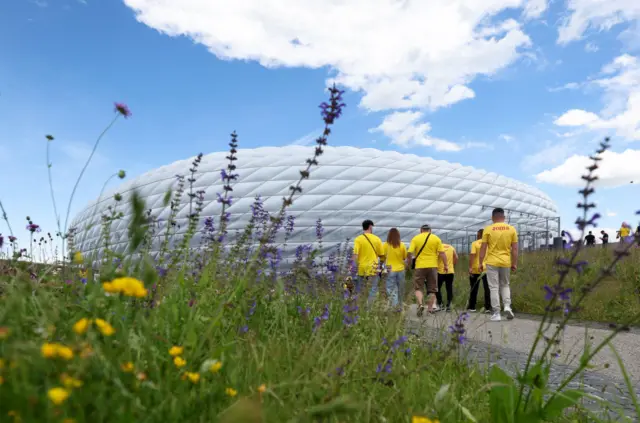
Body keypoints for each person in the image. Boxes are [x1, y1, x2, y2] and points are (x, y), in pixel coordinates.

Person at [479, 208, 518, 322]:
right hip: (506, 262)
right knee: (505, 285)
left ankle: (496, 312)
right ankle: (507, 306)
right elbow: (515, 249)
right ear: (504, 217)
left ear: (492, 217)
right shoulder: (511, 229)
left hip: (492, 262)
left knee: (494, 287)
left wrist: (481, 262)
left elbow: (483, 248)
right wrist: (514, 263)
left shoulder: (488, 229)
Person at [406, 224, 447, 317]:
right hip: (433, 266)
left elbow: (409, 252)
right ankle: (429, 309)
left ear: (421, 230)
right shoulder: (436, 238)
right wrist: (446, 265)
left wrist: (408, 263)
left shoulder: (415, 238)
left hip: (420, 266)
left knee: (418, 287)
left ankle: (420, 304)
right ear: (430, 230)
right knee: (432, 289)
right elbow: (442, 253)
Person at [351, 220, 385, 305]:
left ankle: (357, 306)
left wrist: (352, 266)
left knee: (359, 288)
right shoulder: (377, 239)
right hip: (373, 268)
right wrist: (381, 265)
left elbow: (355, 254)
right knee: (373, 288)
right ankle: (368, 308)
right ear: (370, 227)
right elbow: (382, 255)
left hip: (361, 268)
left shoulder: (358, 239)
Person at [467, 229, 491, 313]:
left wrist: (470, 267)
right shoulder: (489, 243)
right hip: (487, 268)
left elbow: (472, 255)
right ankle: (487, 307)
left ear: (479, 235)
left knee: (474, 288)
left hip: (475, 268)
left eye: (477, 234)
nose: (477, 235)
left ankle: (472, 306)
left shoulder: (475, 243)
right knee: (487, 288)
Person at [382, 228, 407, 309]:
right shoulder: (402, 245)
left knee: (391, 288)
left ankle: (395, 306)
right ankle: (400, 305)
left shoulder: (385, 245)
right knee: (401, 288)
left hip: (390, 269)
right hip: (401, 269)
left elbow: (383, 257)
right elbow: (404, 257)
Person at [436, 243, 457, 311]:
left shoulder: (438, 247)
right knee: (449, 288)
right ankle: (449, 305)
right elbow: (456, 257)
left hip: (440, 271)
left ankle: (440, 304)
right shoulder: (451, 247)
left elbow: (436, 258)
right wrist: (452, 265)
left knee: (437, 288)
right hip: (450, 271)